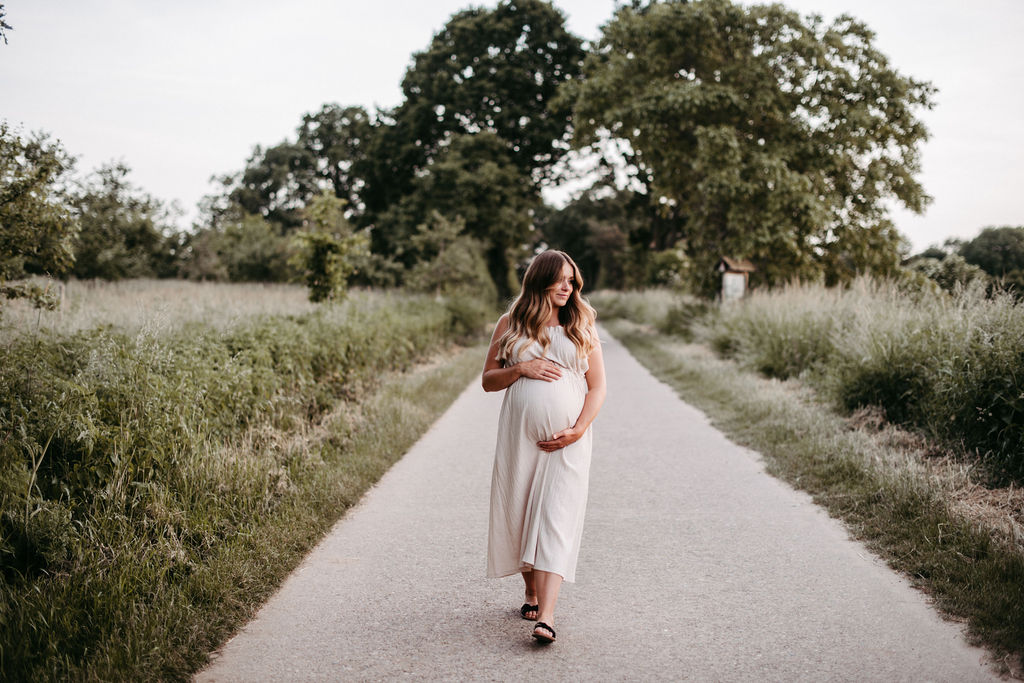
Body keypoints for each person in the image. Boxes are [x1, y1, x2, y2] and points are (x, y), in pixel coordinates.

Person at [481, 250, 607, 644]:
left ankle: (547, 617)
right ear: (540, 280)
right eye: (561, 280)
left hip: (569, 441)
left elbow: (598, 386)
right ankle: (531, 590)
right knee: (519, 513)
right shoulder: (511, 323)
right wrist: (521, 368)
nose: (569, 287)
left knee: (556, 518)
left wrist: (579, 429)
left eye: (572, 280)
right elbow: (488, 380)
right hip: (520, 438)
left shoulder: (581, 323)